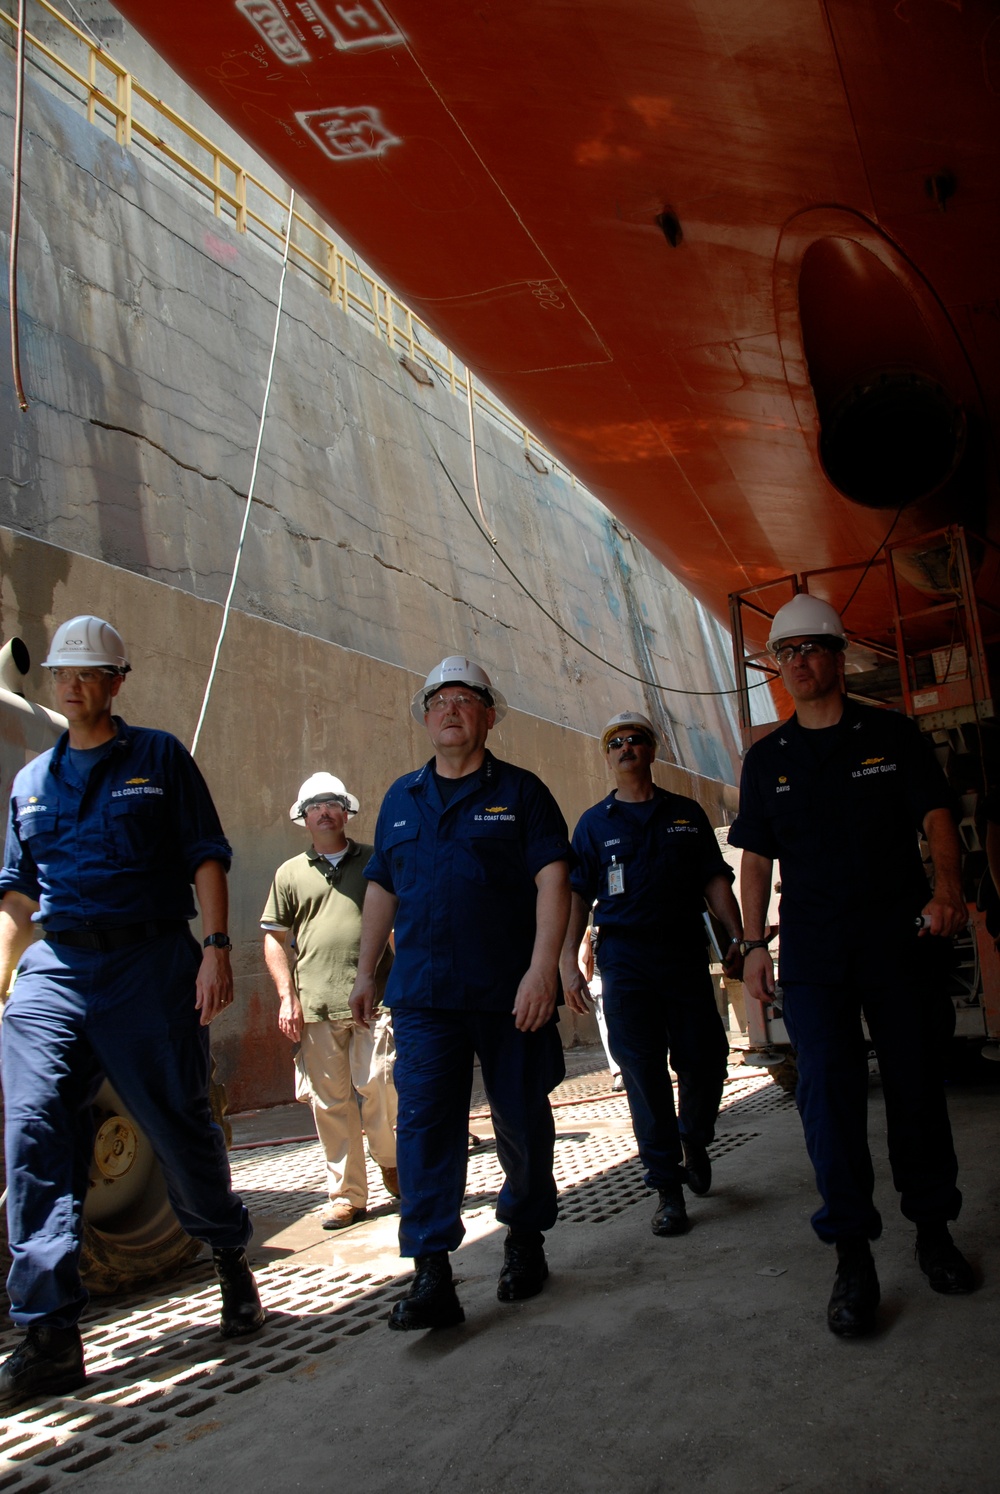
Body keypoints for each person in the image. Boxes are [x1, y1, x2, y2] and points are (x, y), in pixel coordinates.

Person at [0, 615, 263, 1409]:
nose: (72, 683)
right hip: (56, 962)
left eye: (88, 672)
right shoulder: (31, 783)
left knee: (179, 1122)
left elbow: (204, 855)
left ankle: (224, 1253)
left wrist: (215, 947)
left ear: (117, 681)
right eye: (62, 673)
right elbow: (17, 892)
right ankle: (49, 1331)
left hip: (149, 962)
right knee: (33, 1128)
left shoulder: (159, 759)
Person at [729, 594, 974, 1338]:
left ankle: (933, 1232)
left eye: (810, 648)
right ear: (779, 670)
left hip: (897, 944)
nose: (798, 662)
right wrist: (752, 946)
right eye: (785, 654)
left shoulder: (893, 735)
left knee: (916, 1092)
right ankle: (852, 1258)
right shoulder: (767, 759)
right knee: (828, 1106)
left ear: (838, 655)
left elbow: (935, 815)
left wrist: (948, 889)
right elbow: (755, 860)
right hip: (814, 957)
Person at [349, 655, 571, 1330]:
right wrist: (364, 972)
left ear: (488, 715)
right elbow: (382, 887)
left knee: (522, 1121)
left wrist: (543, 969)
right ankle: (432, 1276)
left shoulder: (524, 794)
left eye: (465, 700)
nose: (451, 710)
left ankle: (526, 1239)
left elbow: (553, 880)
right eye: (439, 700)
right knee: (422, 1130)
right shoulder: (400, 799)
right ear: (424, 718)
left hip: (511, 995)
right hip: (424, 998)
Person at [560, 711, 742, 1238]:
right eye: (614, 741)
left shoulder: (685, 814)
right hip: (625, 962)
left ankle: (695, 1135)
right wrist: (568, 958)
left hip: (683, 953)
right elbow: (577, 896)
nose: (625, 747)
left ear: (651, 749)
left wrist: (740, 938)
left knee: (705, 1059)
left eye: (635, 739)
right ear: (607, 755)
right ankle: (667, 1188)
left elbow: (714, 882)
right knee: (643, 1074)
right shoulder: (594, 824)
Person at [262, 772, 397, 1229]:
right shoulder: (289, 873)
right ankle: (347, 1196)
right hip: (316, 1006)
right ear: (303, 817)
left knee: (382, 1085)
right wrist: (287, 997)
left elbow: (398, 925)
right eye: (315, 805)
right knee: (330, 1103)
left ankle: (393, 1163)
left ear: (346, 812)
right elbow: (275, 938)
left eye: (332, 803)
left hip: (376, 1001)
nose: (324, 811)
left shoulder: (376, 862)